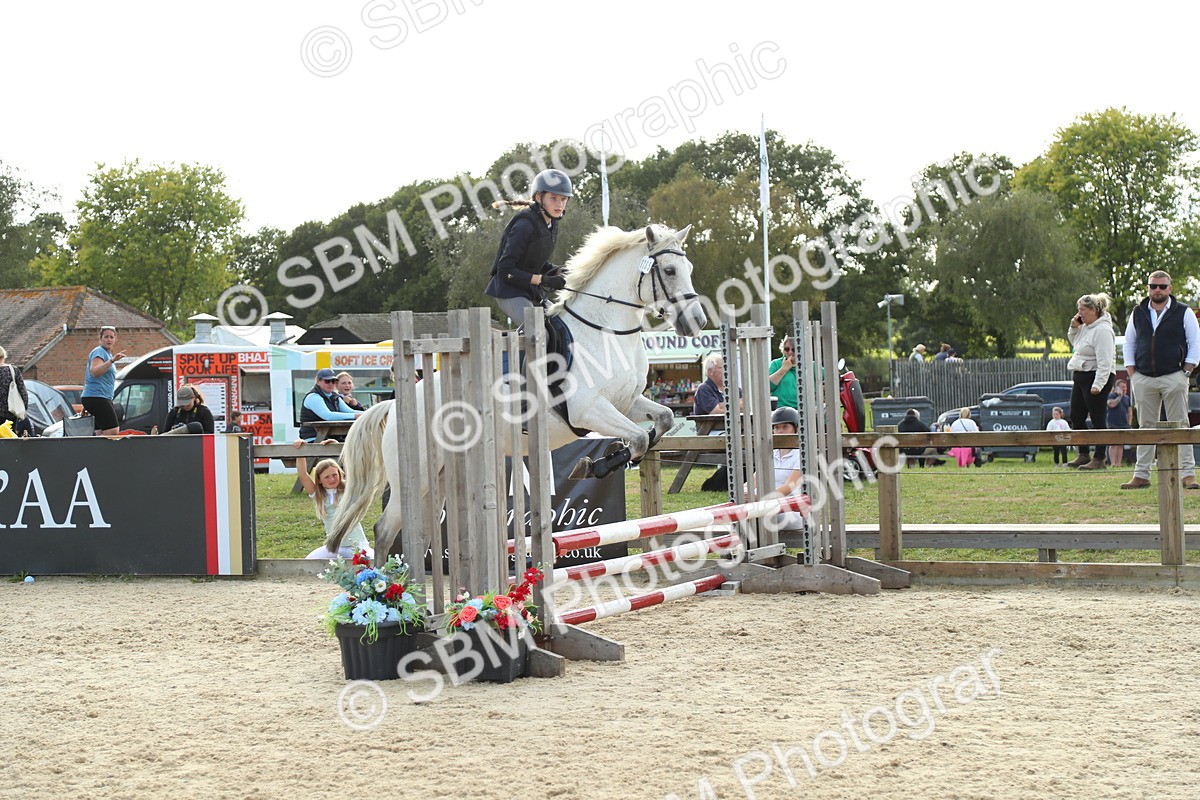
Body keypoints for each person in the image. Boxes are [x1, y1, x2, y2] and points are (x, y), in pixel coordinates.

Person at [1121, 270, 1200, 490]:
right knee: (1145, 426)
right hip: (1143, 377)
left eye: (1162, 286)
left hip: (1174, 376)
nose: (1157, 290)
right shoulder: (1138, 312)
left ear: (1170, 288)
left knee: (1181, 426)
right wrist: (1131, 373)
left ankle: (1187, 474)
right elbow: (1130, 343)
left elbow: (1195, 343)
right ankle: (1141, 474)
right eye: (1153, 286)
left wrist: (1186, 371)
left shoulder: (1183, 312)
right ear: (1148, 288)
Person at [484, 168, 572, 325]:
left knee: (562, 325)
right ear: (539, 197)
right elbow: (505, 270)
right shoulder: (524, 225)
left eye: (563, 199)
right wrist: (543, 279)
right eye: (553, 198)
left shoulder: (551, 223)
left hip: (529, 290)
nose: (559, 205)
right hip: (509, 291)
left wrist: (555, 270)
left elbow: (532, 258)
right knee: (538, 332)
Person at [1065, 293, 1116, 470]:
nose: (1079, 314)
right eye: (1078, 310)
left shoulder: (1103, 330)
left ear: (1094, 310)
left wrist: (1098, 385)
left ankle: (1100, 458)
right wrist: (1073, 328)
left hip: (1096, 375)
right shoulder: (1085, 326)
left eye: (1082, 310)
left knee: (1097, 417)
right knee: (1076, 416)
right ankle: (1083, 454)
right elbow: (1077, 345)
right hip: (1080, 374)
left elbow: (1105, 361)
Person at [295, 454, 371, 560]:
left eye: (335, 475)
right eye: (327, 477)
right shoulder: (319, 495)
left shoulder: (349, 490)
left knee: (372, 561)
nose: (332, 479)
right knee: (309, 561)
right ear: (319, 480)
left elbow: (355, 467)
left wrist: (336, 448)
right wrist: (300, 453)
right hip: (334, 547)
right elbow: (303, 475)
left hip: (356, 544)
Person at [81, 325, 127, 436]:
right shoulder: (99, 352)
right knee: (112, 431)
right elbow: (94, 372)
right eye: (106, 337)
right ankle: (106, 453)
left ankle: (95, 451)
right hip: (98, 397)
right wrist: (111, 361)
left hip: (97, 397)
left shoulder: (107, 354)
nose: (109, 340)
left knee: (100, 431)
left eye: (112, 337)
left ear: (115, 339)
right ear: (100, 339)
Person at [298, 367, 364, 442]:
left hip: (332, 437)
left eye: (333, 381)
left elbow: (349, 411)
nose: (331, 384)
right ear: (318, 381)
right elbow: (328, 416)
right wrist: (356, 416)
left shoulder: (334, 396)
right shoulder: (313, 397)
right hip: (314, 438)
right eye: (327, 381)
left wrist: (369, 414)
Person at [766, 406, 805, 531]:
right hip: (768, 504)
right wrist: (745, 491)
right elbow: (755, 478)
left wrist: (759, 498)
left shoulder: (801, 455)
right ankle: (737, 548)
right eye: (777, 427)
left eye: (785, 427)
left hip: (793, 513)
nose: (780, 431)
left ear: (796, 429)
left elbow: (788, 488)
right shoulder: (772, 453)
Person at [0, 345, 33, 437]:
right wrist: (24, 407)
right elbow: (23, 391)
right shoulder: (13, 370)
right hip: (11, 411)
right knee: (9, 436)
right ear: (4, 356)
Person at [1105, 380, 1132, 467]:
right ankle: (1113, 462)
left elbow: (1129, 411)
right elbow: (1111, 404)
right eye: (1122, 387)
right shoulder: (1111, 395)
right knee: (1113, 443)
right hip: (1113, 423)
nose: (1124, 389)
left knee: (1120, 444)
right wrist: (1119, 396)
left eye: (1125, 387)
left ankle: (1118, 463)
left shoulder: (1127, 398)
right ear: (1117, 387)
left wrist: (1129, 424)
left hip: (1123, 424)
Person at [767, 336, 798, 410]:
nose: (790, 352)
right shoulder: (776, 364)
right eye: (787, 349)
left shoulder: (811, 365)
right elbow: (768, 386)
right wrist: (783, 369)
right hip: (782, 409)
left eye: (794, 349)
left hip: (805, 409)